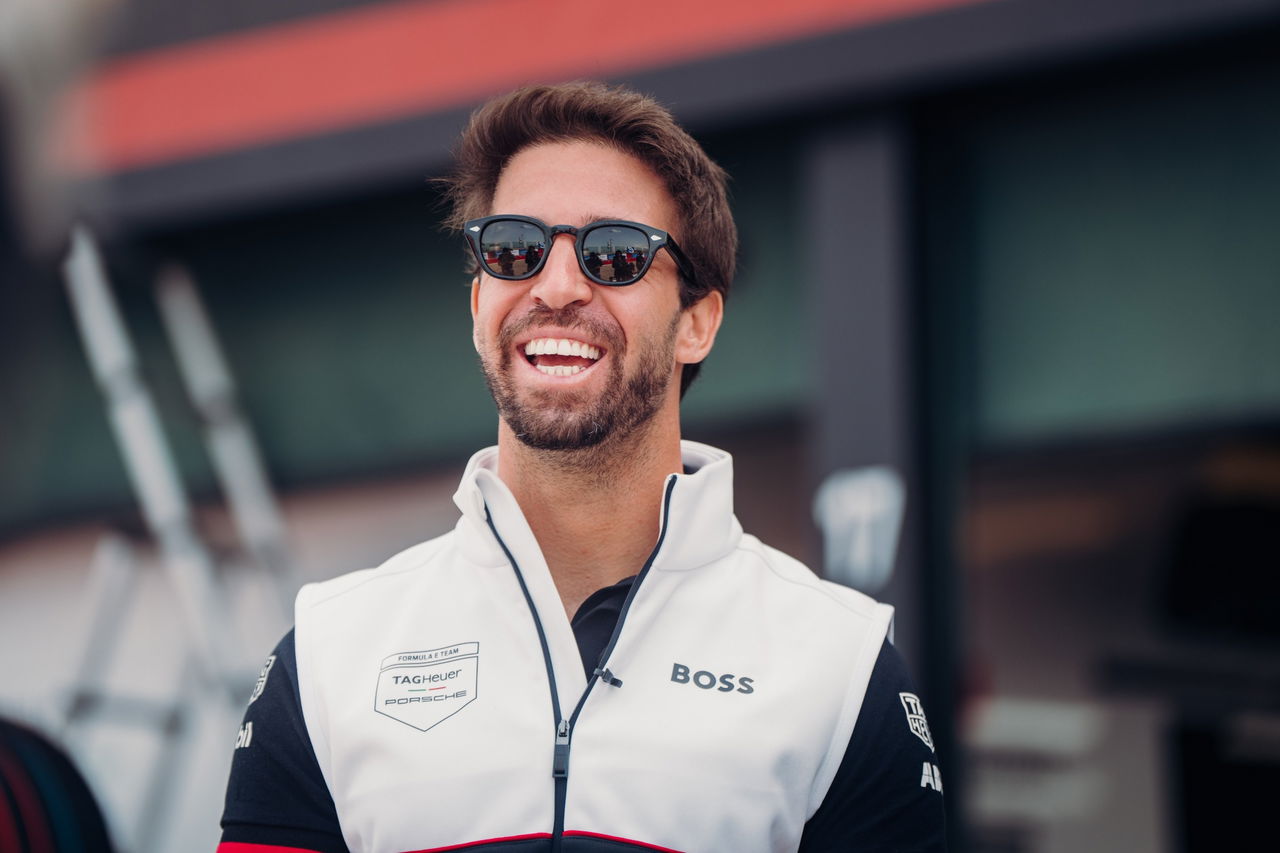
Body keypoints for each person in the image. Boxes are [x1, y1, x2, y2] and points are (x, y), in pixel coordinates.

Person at [218, 81, 946, 853]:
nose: (557, 286)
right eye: (513, 248)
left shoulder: (840, 667)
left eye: (617, 255)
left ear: (697, 321)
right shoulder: (329, 655)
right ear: (477, 307)